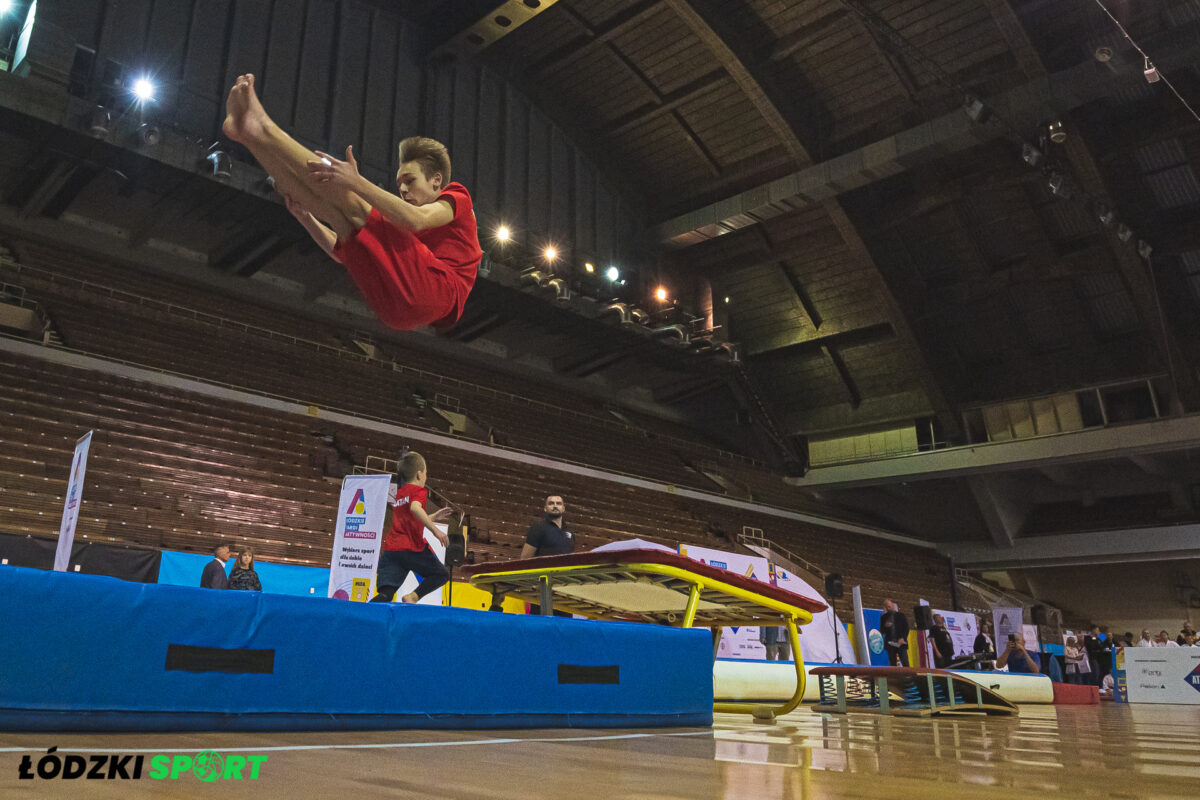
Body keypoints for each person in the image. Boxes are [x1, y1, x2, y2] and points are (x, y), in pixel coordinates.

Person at [222, 74, 481, 331]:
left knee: (355, 204)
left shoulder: (457, 197)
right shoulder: (407, 239)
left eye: (410, 181)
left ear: (437, 181)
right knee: (343, 225)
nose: (402, 189)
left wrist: (356, 182)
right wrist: (307, 218)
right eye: (399, 182)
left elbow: (417, 220)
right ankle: (248, 137)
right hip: (397, 311)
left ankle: (264, 128)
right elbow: (340, 253)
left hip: (438, 291)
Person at [370, 451, 453, 604]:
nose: (426, 476)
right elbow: (415, 508)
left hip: (392, 551)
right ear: (420, 475)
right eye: (426, 473)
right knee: (441, 575)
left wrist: (434, 516)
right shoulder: (419, 491)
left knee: (386, 594)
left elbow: (410, 518)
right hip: (412, 549)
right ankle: (413, 597)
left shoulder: (401, 494)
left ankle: (363, 616)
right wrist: (436, 531)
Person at [881, 599, 910, 667]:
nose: (888, 608)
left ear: (893, 606)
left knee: (904, 661)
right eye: (887, 607)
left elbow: (906, 628)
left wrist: (903, 638)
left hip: (900, 641)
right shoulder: (883, 617)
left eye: (889, 606)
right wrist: (885, 626)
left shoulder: (901, 615)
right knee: (892, 662)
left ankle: (908, 676)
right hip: (890, 642)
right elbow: (882, 631)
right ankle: (894, 677)